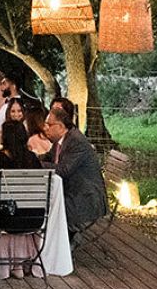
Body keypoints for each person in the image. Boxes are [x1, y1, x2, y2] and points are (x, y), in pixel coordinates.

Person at [0, 119, 44, 278]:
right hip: (33, 219)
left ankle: (6, 265)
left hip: (5, 220)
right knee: (17, 210)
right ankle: (18, 264)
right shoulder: (33, 158)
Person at [44, 99, 109, 239]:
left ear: (60, 127)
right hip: (73, 191)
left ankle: (65, 243)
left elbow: (63, 170)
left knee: (46, 209)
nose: (45, 128)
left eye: (49, 125)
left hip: (86, 199)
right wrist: (28, 158)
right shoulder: (61, 139)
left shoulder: (76, 141)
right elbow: (47, 158)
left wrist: (35, 165)